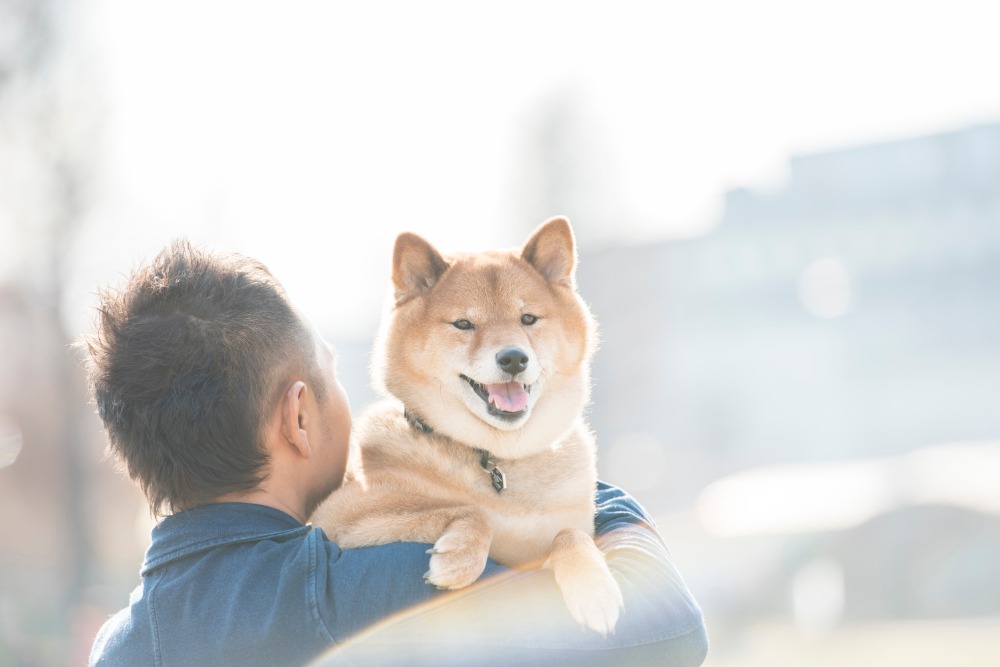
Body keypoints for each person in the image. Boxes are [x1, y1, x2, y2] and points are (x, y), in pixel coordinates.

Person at [84, 240, 708, 666]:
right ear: (299, 418)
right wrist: (567, 482)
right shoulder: (371, 582)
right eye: (331, 377)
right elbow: (669, 631)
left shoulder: (119, 649)